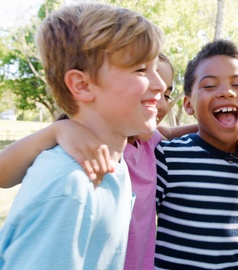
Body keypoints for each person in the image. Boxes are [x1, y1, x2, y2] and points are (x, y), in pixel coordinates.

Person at [0, 3, 165, 269]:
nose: (160, 85)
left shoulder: (116, 167)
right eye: (140, 69)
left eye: (156, 68)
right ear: (82, 85)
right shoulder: (69, 184)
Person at [153, 39, 238, 269]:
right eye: (209, 86)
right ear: (188, 105)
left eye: (237, 85)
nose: (227, 92)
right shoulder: (168, 157)